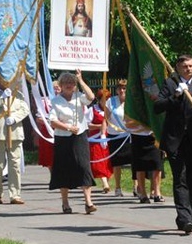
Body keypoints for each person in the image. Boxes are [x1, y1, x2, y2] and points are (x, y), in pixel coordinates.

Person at [154, 54, 192, 234]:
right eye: (184, 66)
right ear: (177, 68)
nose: (188, 69)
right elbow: (158, 106)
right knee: (180, 178)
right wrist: (176, 95)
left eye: (190, 66)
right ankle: (186, 219)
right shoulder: (170, 84)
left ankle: (185, 217)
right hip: (175, 140)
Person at [48, 70, 97, 214]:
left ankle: (88, 202)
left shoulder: (78, 96)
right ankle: (65, 203)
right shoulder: (56, 101)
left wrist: (81, 80)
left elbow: (91, 97)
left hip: (80, 135)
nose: (69, 85)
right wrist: (68, 127)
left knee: (84, 167)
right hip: (63, 138)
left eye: (72, 82)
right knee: (64, 169)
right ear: (61, 85)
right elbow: (53, 121)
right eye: (66, 83)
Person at [0, 77, 30, 205]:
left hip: (14, 133)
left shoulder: (17, 93)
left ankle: (15, 195)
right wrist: (2, 98)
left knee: (15, 164)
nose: (7, 82)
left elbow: (25, 109)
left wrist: (15, 118)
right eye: (4, 79)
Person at [104, 80, 132, 196]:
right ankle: (118, 187)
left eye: (124, 88)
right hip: (115, 135)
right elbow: (106, 118)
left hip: (129, 135)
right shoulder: (111, 101)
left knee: (133, 161)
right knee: (117, 163)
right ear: (116, 90)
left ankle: (136, 187)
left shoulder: (132, 101)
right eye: (120, 88)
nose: (122, 91)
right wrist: (102, 134)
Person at [88, 89, 113, 193]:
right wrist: (100, 126)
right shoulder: (92, 110)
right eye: (104, 99)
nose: (106, 102)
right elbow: (87, 125)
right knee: (99, 161)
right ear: (99, 100)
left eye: (107, 99)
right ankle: (105, 184)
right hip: (96, 140)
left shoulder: (111, 110)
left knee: (108, 161)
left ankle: (106, 182)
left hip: (109, 138)